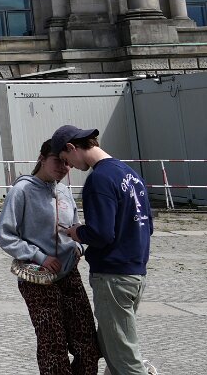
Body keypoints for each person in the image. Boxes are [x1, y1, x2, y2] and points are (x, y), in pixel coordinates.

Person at [0, 138, 100, 375]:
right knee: (53, 343)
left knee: (86, 340)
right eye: (57, 161)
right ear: (42, 159)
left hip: (69, 273)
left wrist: (79, 247)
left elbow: (75, 225)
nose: (64, 167)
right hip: (37, 278)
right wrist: (39, 257)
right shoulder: (22, 191)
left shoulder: (63, 191)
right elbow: (4, 234)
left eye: (67, 163)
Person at [56, 124, 155, 375]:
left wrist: (78, 232)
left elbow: (101, 234)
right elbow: (148, 226)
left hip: (113, 276)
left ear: (71, 147)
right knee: (112, 349)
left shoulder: (99, 179)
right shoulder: (130, 174)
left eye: (66, 159)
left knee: (124, 359)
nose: (69, 167)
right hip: (135, 273)